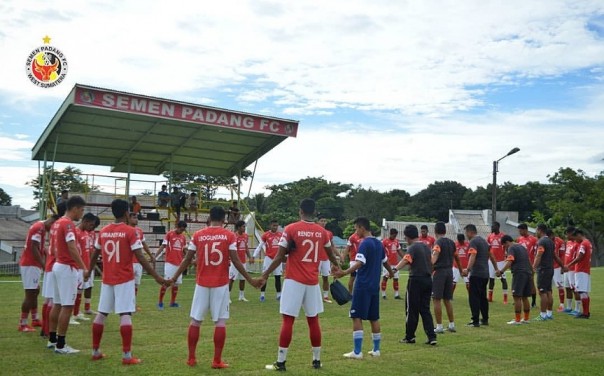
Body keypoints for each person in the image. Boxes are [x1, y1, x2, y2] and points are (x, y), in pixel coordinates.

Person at [168, 206, 260, 368]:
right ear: (224, 220)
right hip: (220, 283)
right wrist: (250, 280)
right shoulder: (229, 235)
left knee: (196, 320)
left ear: (209, 218)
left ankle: (191, 358)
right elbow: (236, 261)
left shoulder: (198, 235)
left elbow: (187, 260)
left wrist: (174, 278)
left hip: (202, 283)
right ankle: (216, 360)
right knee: (220, 322)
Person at [262, 198, 340, 371]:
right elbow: (330, 254)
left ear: (300, 211)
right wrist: (336, 265)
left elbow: (279, 256)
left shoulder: (291, 229)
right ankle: (317, 361)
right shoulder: (322, 232)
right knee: (313, 320)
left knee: (288, 320)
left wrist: (265, 274)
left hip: (293, 281)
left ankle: (281, 362)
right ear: (315, 212)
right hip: (312, 282)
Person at [88, 199, 167, 365]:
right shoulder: (130, 232)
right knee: (125, 314)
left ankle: (95, 351)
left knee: (102, 313)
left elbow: (95, 254)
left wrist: (88, 271)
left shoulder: (103, 231)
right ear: (126, 213)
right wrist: (156, 277)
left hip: (107, 279)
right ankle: (126, 355)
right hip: (124, 278)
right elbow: (140, 257)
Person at [333, 217, 393, 359]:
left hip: (363, 285)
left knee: (356, 316)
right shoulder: (379, 244)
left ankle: (357, 352)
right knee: (374, 317)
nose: (355, 231)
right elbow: (385, 261)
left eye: (356, 228)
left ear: (362, 228)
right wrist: (390, 272)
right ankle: (376, 350)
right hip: (374, 286)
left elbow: (360, 262)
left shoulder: (365, 244)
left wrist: (344, 272)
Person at [48, 196, 88, 354]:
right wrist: (83, 267)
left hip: (58, 265)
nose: (82, 213)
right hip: (66, 267)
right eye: (82, 209)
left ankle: (52, 340)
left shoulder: (57, 223)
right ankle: (61, 344)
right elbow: (72, 247)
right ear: (75, 208)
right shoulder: (68, 224)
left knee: (57, 304)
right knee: (67, 306)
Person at [393, 225, 436, 345]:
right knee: (425, 309)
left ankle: (409, 336)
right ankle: (432, 337)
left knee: (411, 309)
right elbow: (432, 262)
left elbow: (406, 259)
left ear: (407, 237)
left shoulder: (412, 248)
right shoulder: (426, 247)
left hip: (416, 280)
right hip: (428, 280)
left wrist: (394, 270)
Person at [18, 212, 61, 332]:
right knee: (30, 293)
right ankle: (23, 324)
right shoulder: (39, 228)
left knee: (35, 291)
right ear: (52, 222)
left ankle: (35, 319)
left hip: (31, 263)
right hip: (30, 264)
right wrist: (43, 265)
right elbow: (33, 247)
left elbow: (37, 246)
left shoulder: (40, 226)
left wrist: (46, 252)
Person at [462, 224, 499, 327]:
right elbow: (491, 255)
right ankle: (485, 319)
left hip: (476, 273)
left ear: (470, 232)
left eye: (466, 233)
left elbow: (473, 255)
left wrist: (468, 269)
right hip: (485, 274)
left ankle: (475, 321)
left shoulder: (473, 242)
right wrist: (496, 268)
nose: (466, 235)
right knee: (483, 297)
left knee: (474, 297)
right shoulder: (484, 241)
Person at [41, 202, 66, 339]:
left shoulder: (55, 225)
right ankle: (47, 331)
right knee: (54, 301)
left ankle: (45, 330)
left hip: (51, 265)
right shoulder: (62, 224)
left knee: (49, 300)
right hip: (55, 265)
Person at [431, 221, 462, 334]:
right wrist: (461, 269)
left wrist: (429, 267)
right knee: (447, 299)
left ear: (435, 231)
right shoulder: (451, 243)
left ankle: (439, 326)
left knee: (436, 299)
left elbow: (435, 256)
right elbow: (457, 258)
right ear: (445, 230)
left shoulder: (438, 242)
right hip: (450, 271)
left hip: (440, 272)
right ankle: (451, 324)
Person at [498, 235, 532, 325]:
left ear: (507, 242)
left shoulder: (511, 248)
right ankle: (526, 318)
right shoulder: (522, 247)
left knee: (516, 296)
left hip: (519, 273)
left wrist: (501, 271)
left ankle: (517, 320)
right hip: (527, 272)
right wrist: (531, 272)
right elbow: (528, 260)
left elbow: (510, 261)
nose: (505, 248)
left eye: (504, 245)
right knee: (525, 297)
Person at [533, 224, 563, 321]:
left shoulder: (541, 241)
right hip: (550, 269)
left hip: (543, 270)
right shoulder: (551, 242)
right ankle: (549, 314)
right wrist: (563, 265)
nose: (535, 232)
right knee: (549, 291)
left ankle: (542, 315)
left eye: (536, 230)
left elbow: (539, 255)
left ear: (540, 230)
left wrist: (533, 268)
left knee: (542, 292)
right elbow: (555, 256)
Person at [72, 213, 97, 324]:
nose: (91, 227)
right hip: (78, 267)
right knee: (74, 291)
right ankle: (72, 314)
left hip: (85, 266)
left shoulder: (86, 233)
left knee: (79, 291)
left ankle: (76, 313)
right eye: (90, 225)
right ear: (85, 221)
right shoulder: (76, 233)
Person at [156, 221, 187, 309]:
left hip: (179, 263)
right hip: (170, 263)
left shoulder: (183, 237)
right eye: (181, 229)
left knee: (176, 284)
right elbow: (163, 246)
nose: (182, 231)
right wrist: (155, 256)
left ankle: (172, 302)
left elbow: (184, 250)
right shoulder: (169, 234)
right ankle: (160, 302)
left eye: (183, 230)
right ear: (177, 226)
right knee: (167, 283)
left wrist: (190, 258)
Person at [128, 212, 156, 309]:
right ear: (129, 219)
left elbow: (143, 244)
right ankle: (128, 304)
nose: (136, 219)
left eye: (137, 217)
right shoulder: (127, 230)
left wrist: (150, 255)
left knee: (136, 284)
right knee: (128, 285)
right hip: (129, 262)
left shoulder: (139, 231)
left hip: (138, 263)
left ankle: (133, 304)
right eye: (134, 217)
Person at [565, 229, 592, 319]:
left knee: (582, 292)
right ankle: (586, 312)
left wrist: (568, 265)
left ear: (579, 235)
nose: (575, 240)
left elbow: (579, 257)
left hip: (581, 270)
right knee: (584, 292)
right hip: (585, 270)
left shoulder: (584, 244)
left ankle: (585, 313)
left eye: (575, 237)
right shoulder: (588, 242)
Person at [253, 220, 283, 302]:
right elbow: (260, 246)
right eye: (274, 225)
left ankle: (279, 295)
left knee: (278, 277)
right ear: (270, 225)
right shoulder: (266, 235)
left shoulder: (281, 235)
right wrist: (254, 256)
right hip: (268, 258)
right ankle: (262, 295)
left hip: (277, 259)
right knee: (265, 276)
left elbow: (284, 246)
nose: (275, 227)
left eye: (276, 226)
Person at [229, 220, 252, 302]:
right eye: (243, 226)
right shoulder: (234, 236)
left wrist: (250, 257)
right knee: (231, 279)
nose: (244, 228)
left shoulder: (246, 236)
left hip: (243, 261)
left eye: (245, 226)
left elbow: (246, 247)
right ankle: (227, 297)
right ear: (238, 227)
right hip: (235, 262)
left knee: (243, 279)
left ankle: (241, 296)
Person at [82, 215, 101, 315]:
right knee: (79, 288)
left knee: (89, 285)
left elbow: (93, 249)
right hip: (81, 265)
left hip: (89, 263)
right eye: (92, 226)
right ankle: (75, 312)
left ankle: (87, 308)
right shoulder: (80, 233)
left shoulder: (93, 234)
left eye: (95, 226)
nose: (93, 228)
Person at [517, 223, 538, 308]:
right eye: (519, 230)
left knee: (531, 282)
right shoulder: (519, 239)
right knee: (520, 282)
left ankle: (533, 302)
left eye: (521, 230)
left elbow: (536, 252)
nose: (519, 232)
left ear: (525, 230)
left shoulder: (533, 239)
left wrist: (534, 265)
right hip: (520, 264)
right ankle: (519, 299)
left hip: (530, 264)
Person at [487, 221, 508, 304]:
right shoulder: (490, 236)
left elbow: (507, 246)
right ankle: (490, 297)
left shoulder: (503, 236)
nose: (492, 228)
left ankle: (505, 298)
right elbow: (488, 249)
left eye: (493, 226)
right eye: (491, 227)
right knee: (491, 279)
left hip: (501, 261)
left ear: (497, 227)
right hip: (491, 261)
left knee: (503, 279)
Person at [381, 228, 404, 299]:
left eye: (395, 236)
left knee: (396, 278)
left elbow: (399, 251)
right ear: (390, 234)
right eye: (394, 235)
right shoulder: (384, 242)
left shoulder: (396, 242)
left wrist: (405, 257)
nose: (395, 237)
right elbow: (381, 251)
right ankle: (383, 294)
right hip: (387, 263)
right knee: (385, 278)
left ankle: (396, 295)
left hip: (395, 264)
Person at [562, 227, 580, 313]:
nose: (566, 236)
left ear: (571, 233)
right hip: (566, 269)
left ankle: (577, 308)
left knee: (574, 289)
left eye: (567, 234)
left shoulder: (577, 243)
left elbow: (578, 257)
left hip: (572, 269)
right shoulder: (568, 242)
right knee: (567, 288)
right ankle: (569, 307)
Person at [547, 229, 566, 312]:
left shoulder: (560, 241)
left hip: (557, 267)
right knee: (548, 286)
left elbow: (562, 255)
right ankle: (549, 303)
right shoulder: (546, 241)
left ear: (553, 235)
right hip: (548, 266)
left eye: (551, 236)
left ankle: (562, 304)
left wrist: (562, 266)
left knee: (559, 285)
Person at [317, 215, 335, 303]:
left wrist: (340, 255)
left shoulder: (329, 233)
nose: (323, 222)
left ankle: (325, 296)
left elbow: (332, 246)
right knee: (313, 277)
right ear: (318, 222)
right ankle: (314, 296)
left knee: (325, 278)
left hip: (326, 258)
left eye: (325, 221)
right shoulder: (315, 231)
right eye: (322, 221)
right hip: (316, 258)